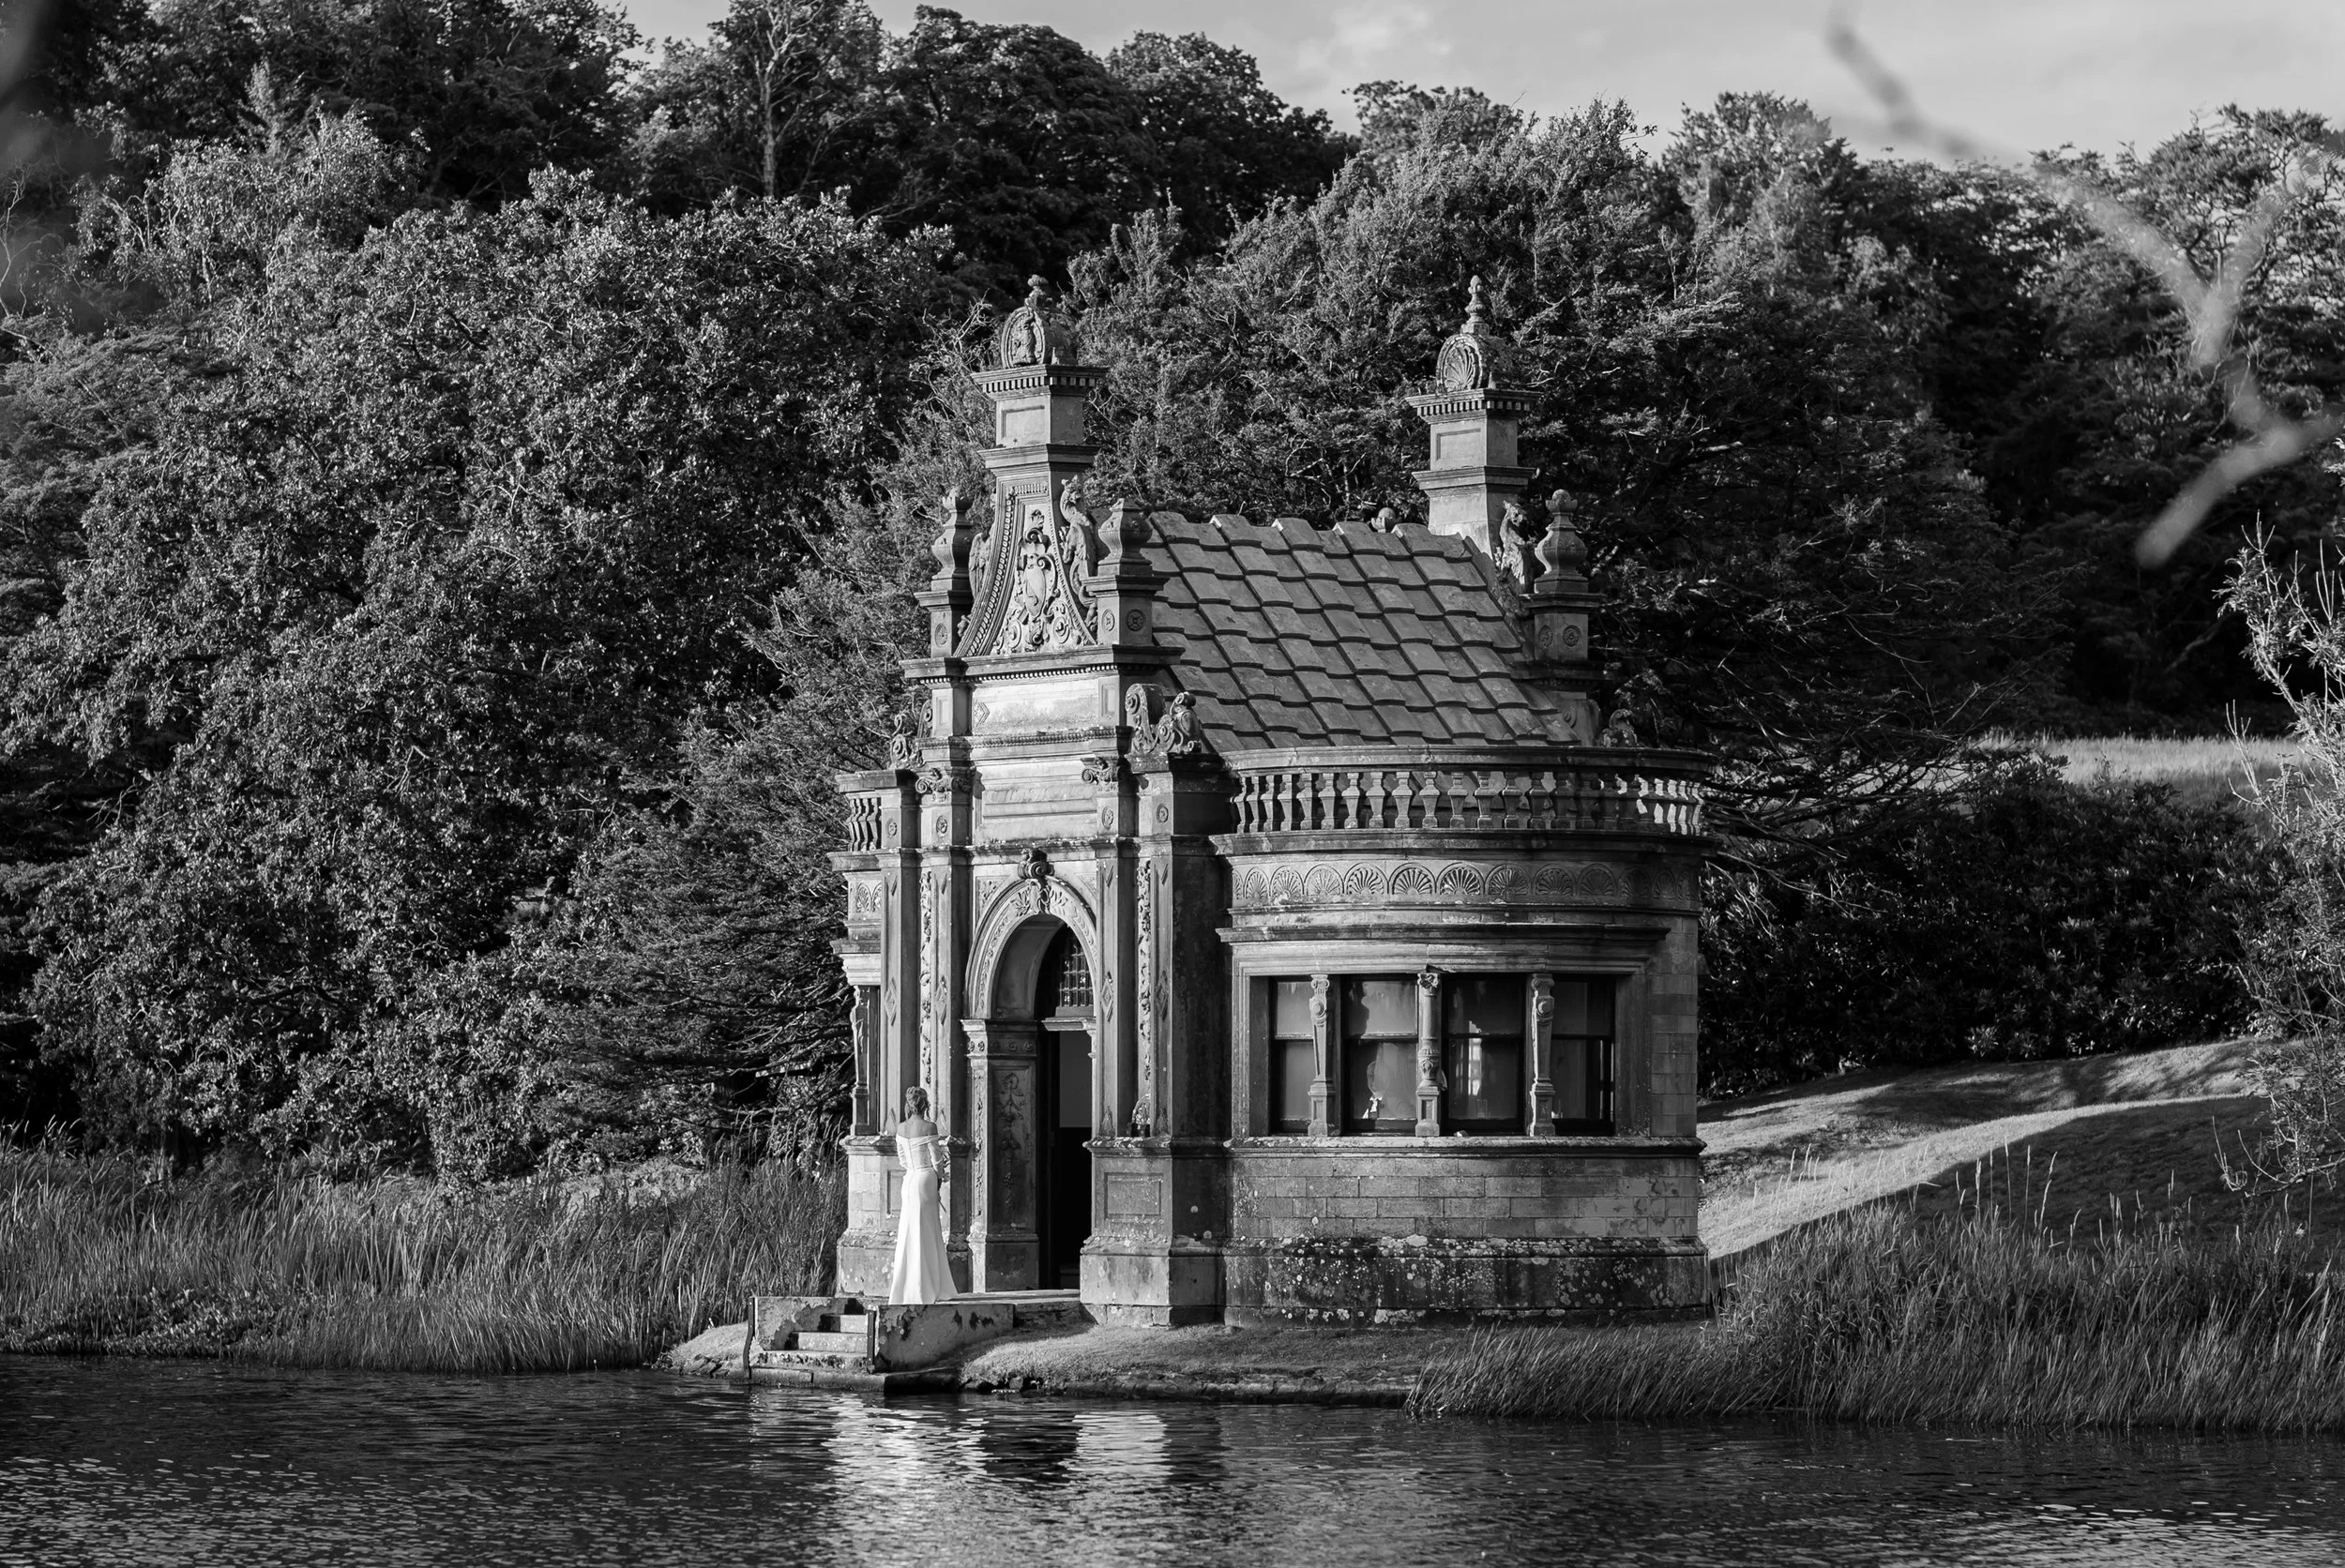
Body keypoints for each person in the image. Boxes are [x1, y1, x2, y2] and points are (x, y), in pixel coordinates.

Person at [888, 1087, 954, 1306]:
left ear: (908, 1105)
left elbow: (902, 1160)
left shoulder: (901, 1128)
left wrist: (915, 1170)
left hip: (909, 1180)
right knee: (928, 1231)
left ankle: (907, 1288)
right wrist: (941, 1176)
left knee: (909, 1231)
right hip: (926, 1178)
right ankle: (931, 1287)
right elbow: (936, 1159)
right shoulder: (929, 1126)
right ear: (925, 1105)